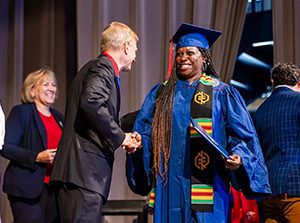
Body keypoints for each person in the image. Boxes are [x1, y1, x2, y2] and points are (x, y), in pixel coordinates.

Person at [126, 23, 271, 223]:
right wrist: (139, 140)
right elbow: (145, 130)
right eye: (179, 53)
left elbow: (241, 135)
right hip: (169, 184)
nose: (183, 57)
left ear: (204, 58)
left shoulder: (221, 93)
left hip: (209, 184)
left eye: (190, 52)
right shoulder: (161, 94)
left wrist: (239, 157)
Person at [50, 21, 140, 223]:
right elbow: (91, 103)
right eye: (135, 49)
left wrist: (140, 120)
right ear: (125, 46)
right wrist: (120, 138)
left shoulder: (96, 68)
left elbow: (103, 116)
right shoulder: (103, 67)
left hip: (81, 174)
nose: (135, 56)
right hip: (84, 173)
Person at [0, 68, 63, 223]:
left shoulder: (59, 117)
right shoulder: (21, 112)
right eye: (45, 84)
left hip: (54, 188)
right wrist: (36, 157)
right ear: (32, 90)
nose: (51, 88)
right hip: (26, 186)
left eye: (53, 84)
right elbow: (6, 147)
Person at [253, 62, 300, 223]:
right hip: (296, 186)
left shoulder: (260, 111)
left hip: (269, 188)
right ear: (297, 82)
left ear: (273, 81)